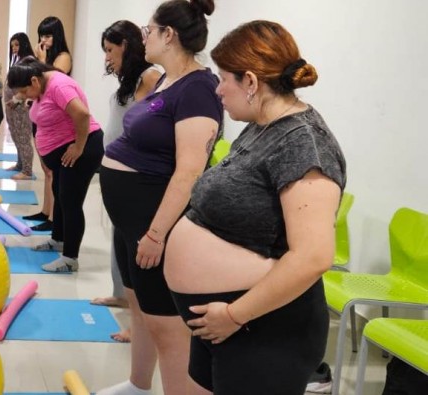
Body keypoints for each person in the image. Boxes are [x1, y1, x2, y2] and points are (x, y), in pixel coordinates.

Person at [167, 20, 345, 394]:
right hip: (220, 322)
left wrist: (233, 315)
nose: (217, 89)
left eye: (223, 79)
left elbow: (313, 257)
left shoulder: (305, 145)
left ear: (250, 81)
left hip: (262, 327)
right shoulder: (261, 125)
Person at [96, 1, 222, 394]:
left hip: (154, 218)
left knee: (168, 326)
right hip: (130, 216)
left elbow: (189, 171)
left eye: (149, 30)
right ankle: (138, 384)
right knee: (139, 307)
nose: (143, 37)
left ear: (170, 35)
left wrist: (156, 233)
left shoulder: (199, 88)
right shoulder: (167, 78)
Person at [90, 20, 161, 345]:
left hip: (137, 178)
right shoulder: (128, 79)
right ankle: (120, 295)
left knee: (133, 249)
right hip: (117, 175)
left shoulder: (149, 77)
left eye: (110, 49)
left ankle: (139, 325)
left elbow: (147, 126)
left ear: (127, 45)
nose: (107, 57)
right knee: (119, 241)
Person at [6, 57, 103, 273]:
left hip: (82, 151)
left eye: (24, 91)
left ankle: (70, 258)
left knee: (70, 202)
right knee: (60, 195)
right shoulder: (41, 85)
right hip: (64, 153)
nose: (24, 95)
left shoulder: (59, 85)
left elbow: (82, 114)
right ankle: (58, 239)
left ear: (34, 81)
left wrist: (78, 147)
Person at [23, 16, 72, 231]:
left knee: (52, 169)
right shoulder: (46, 56)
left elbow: (52, 78)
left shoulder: (63, 56)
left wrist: (40, 59)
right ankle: (45, 210)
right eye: (41, 35)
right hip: (41, 116)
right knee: (45, 168)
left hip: (55, 120)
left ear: (57, 36)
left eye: (48, 35)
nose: (44, 39)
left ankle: (53, 218)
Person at [3, 33, 35, 180]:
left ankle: (27, 171)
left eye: (16, 44)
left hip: (21, 106)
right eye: (12, 45)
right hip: (13, 107)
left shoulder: (29, 61)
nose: (14, 48)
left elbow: (29, 86)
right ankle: (20, 164)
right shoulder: (19, 61)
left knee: (23, 137)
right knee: (16, 135)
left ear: (24, 44)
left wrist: (17, 99)